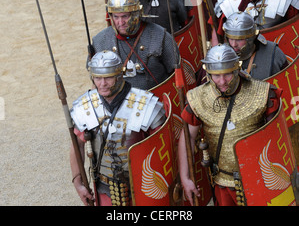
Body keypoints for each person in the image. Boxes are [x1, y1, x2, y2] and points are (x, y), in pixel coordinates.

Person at [178, 44, 282, 206]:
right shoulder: (197, 99)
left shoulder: (264, 94)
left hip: (260, 178)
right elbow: (188, 137)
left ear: (236, 70)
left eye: (227, 75)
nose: (222, 81)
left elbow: (277, 138)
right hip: (222, 181)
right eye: (216, 76)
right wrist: (185, 177)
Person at [70, 50, 166, 206]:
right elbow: (77, 146)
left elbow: (163, 148)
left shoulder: (145, 104)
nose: (102, 84)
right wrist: (78, 182)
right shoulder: (85, 106)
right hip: (105, 189)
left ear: (119, 76)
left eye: (108, 77)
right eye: (98, 78)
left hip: (142, 188)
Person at [91, 0, 180, 90]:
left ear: (136, 15)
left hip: (157, 99)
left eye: (125, 16)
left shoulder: (160, 36)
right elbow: (95, 81)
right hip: (118, 103)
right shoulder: (100, 41)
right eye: (116, 17)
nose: (120, 22)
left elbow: (177, 74)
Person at [223, 11, 288, 79]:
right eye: (231, 39)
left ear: (251, 38)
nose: (234, 44)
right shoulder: (221, 56)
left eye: (239, 39)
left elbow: (287, 82)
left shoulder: (273, 54)